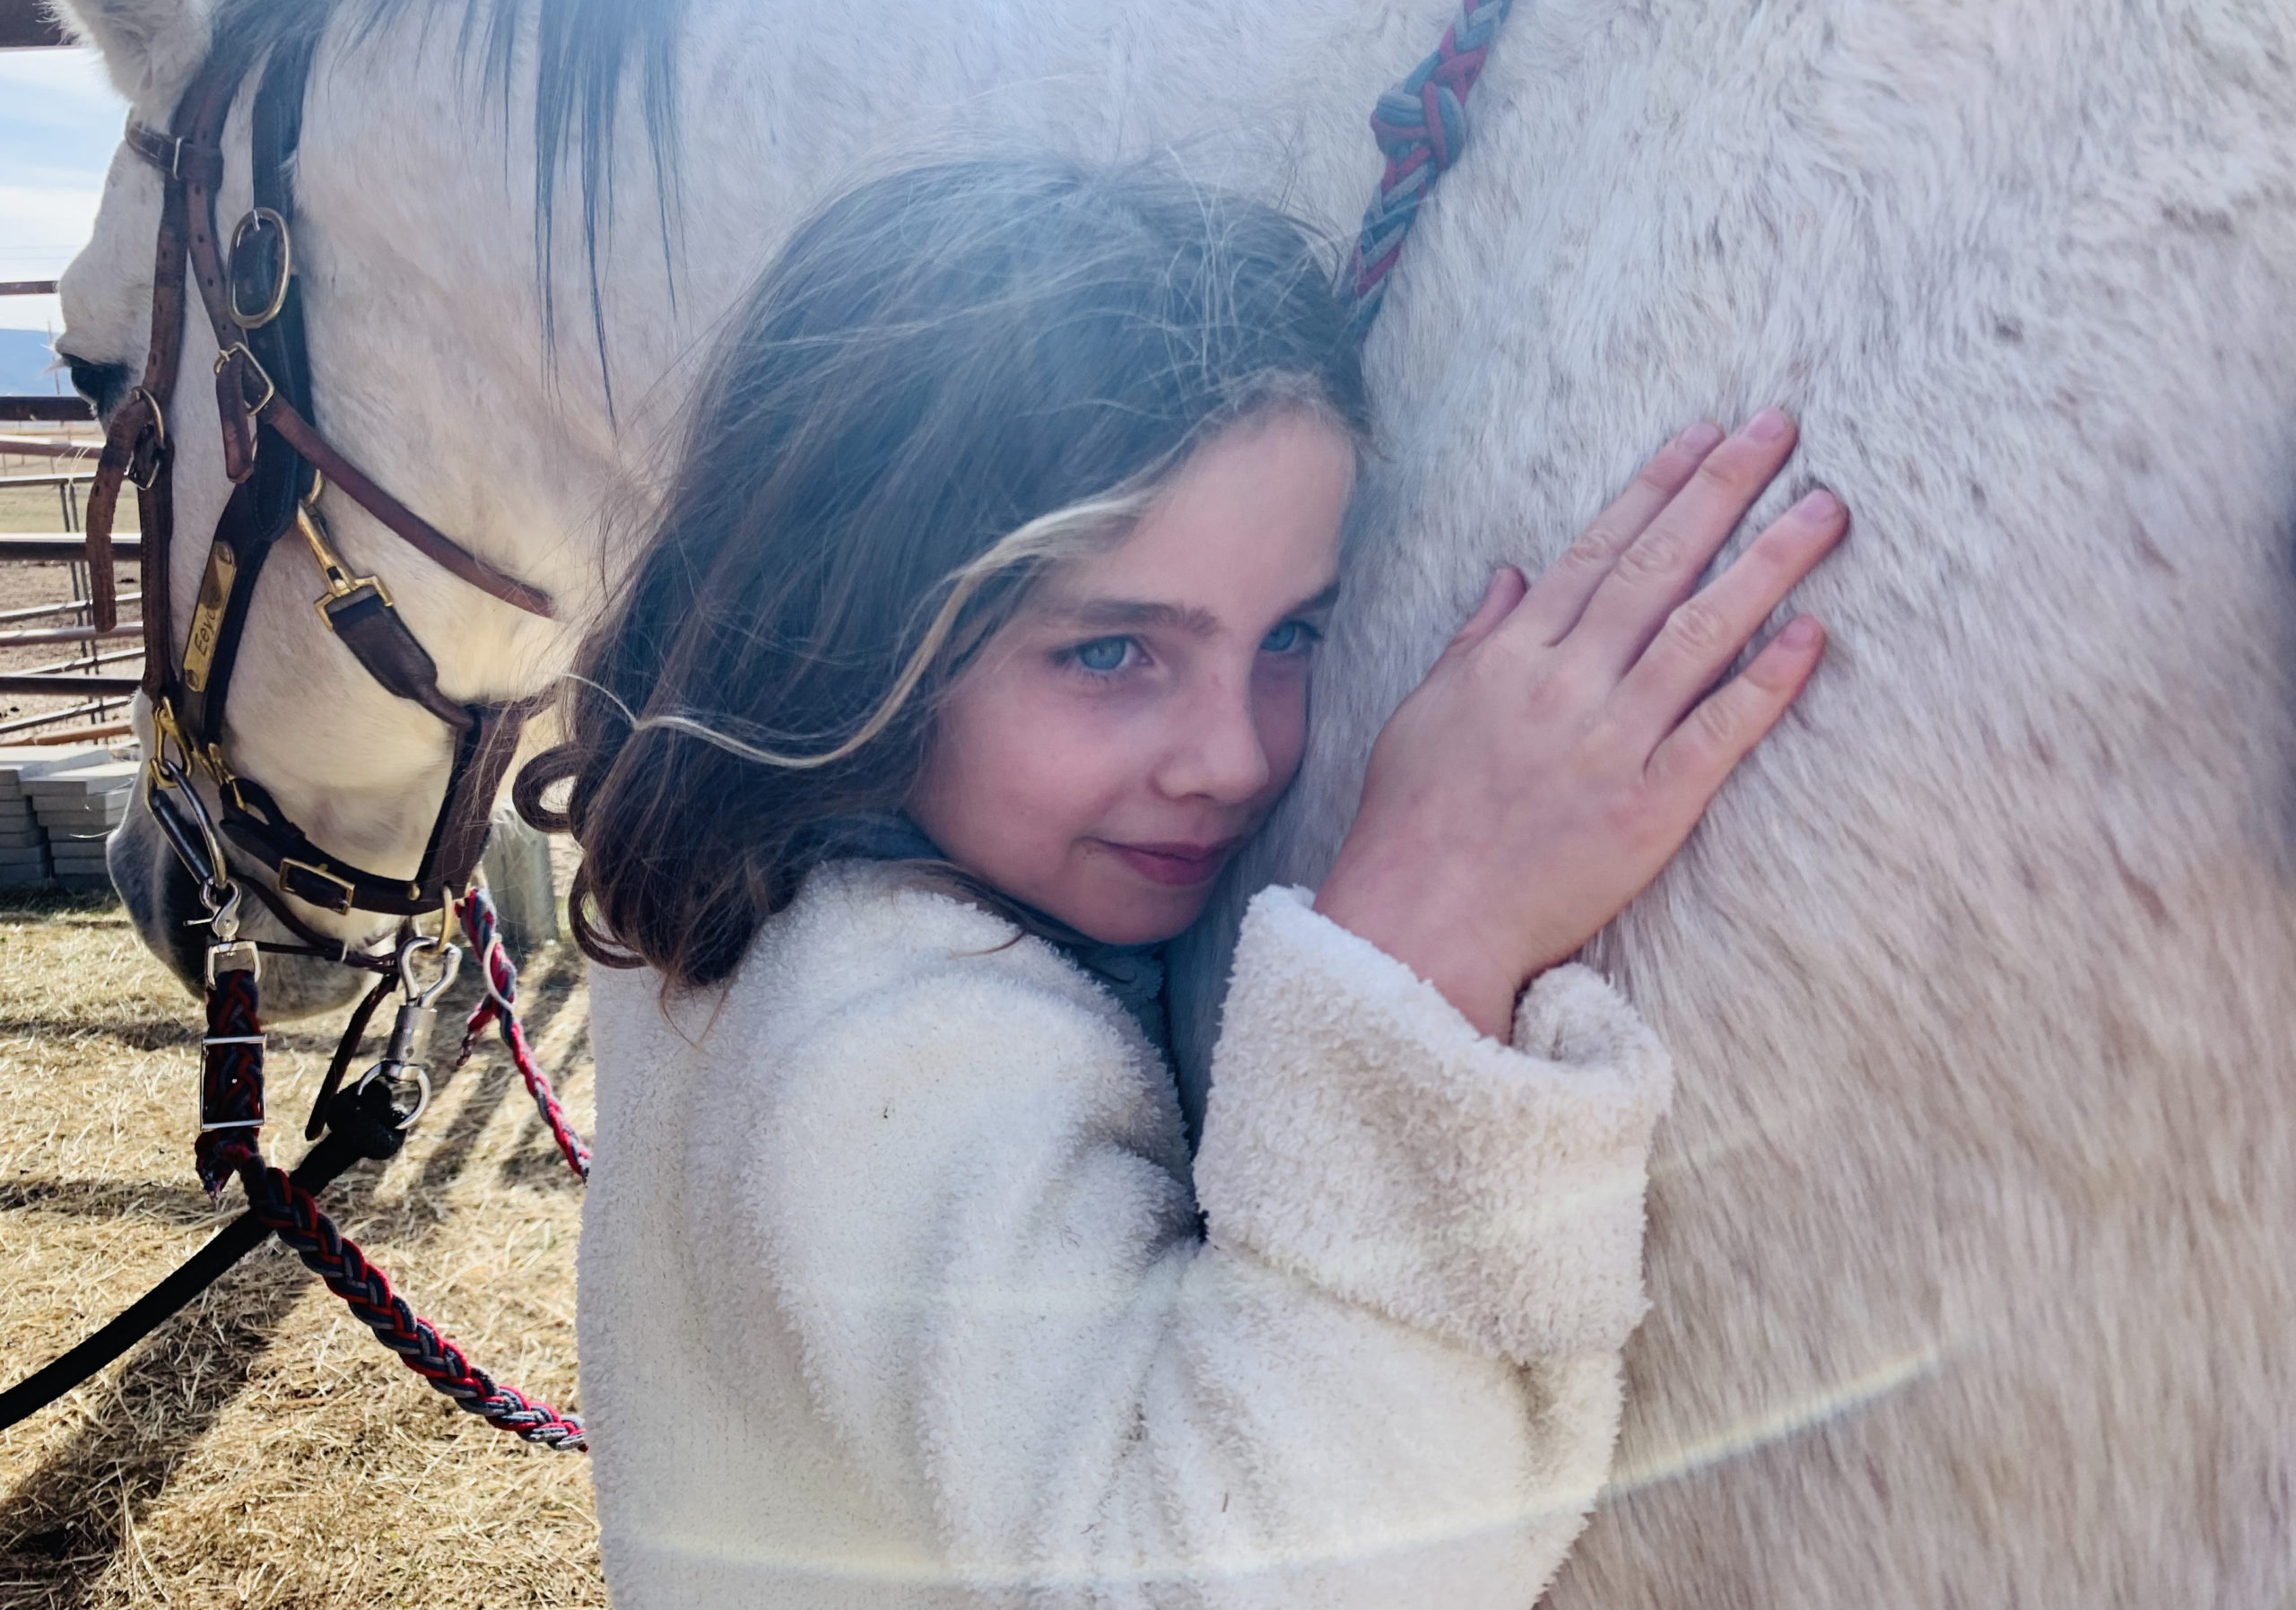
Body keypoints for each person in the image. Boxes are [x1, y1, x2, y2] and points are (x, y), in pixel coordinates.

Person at [518, 159, 1848, 1608]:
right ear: (853, 637)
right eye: (1110, 652)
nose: (1234, 756)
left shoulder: (752, 924)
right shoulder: (886, 1046)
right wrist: (1424, 942)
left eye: (1292, 636)